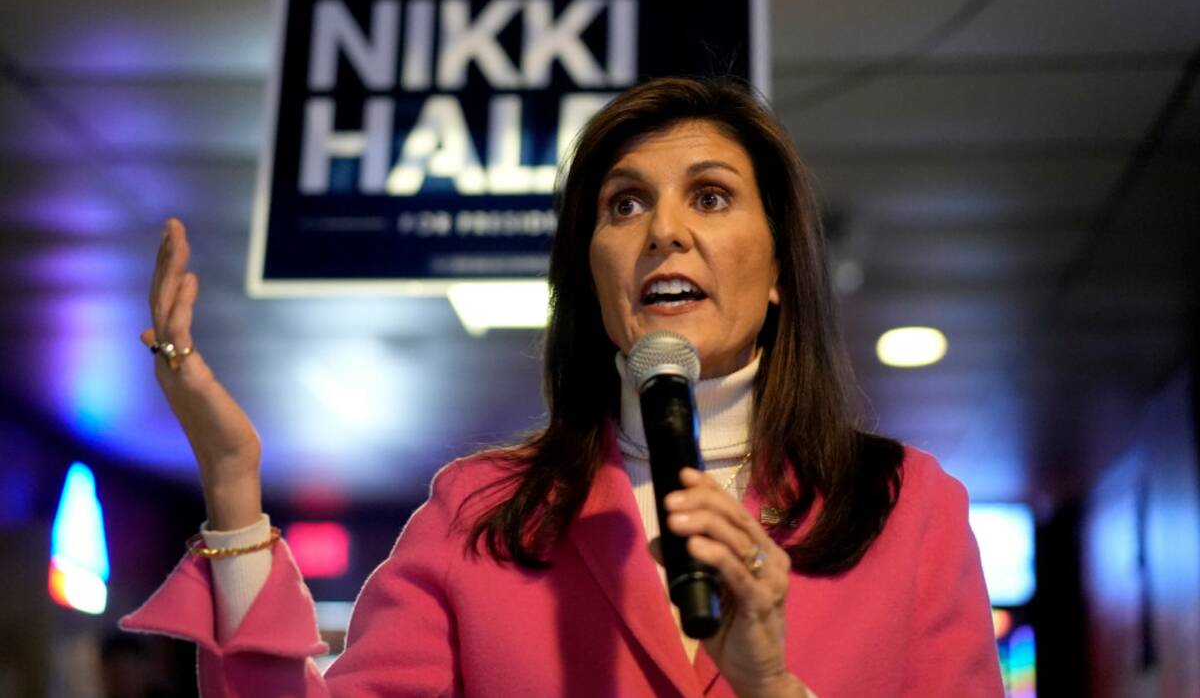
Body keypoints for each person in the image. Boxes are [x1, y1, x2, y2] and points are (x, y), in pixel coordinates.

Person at [121, 77, 1005, 697]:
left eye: (710, 196)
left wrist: (771, 685)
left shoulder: (910, 510)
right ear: (592, 274)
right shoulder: (478, 515)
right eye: (624, 204)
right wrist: (234, 490)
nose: (663, 229)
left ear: (780, 268)